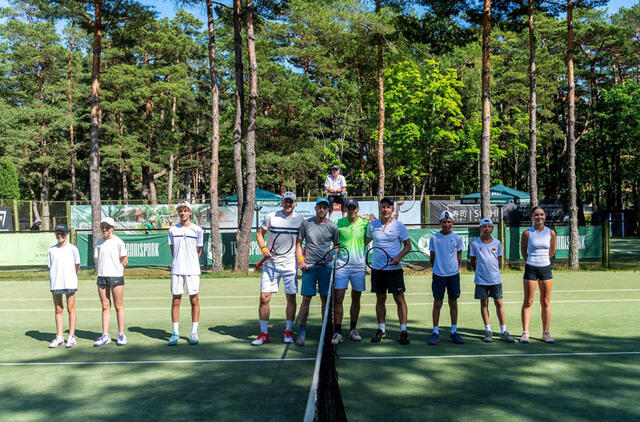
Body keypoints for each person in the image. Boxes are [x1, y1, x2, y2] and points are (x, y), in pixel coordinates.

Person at [252, 192, 304, 346]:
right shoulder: (270, 216)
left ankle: (288, 330)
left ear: (295, 204)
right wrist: (263, 249)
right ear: (282, 202)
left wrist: (302, 258)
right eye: (286, 201)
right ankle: (264, 334)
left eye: (291, 202)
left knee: (291, 298)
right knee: (264, 298)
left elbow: (302, 241)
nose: (288, 204)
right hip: (271, 265)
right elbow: (260, 234)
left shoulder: (300, 219)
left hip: (290, 265)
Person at [366, 197, 411, 345]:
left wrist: (398, 257)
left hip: (394, 270)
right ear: (380, 208)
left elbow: (407, 246)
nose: (385, 209)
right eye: (383, 207)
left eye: (388, 207)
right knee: (380, 300)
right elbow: (364, 242)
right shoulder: (372, 226)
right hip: (378, 270)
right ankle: (382, 330)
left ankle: (403, 331)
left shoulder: (399, 226)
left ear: (392, 209)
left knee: (399, 300)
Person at [295, 198, 339, 346]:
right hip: (309, 267)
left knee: (326, 301)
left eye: (325, 208)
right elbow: (299, 244)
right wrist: (301, 261)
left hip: (326, 268)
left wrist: (332, 256)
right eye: (320, 207)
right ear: (315, 208)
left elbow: (337, 246)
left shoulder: (332, 227)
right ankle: (302, 331)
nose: (322, 210)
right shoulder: (306, 224)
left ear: (328, 210)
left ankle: (326, 331)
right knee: (306, 299)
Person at [469, 218, 514, 343]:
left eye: (489, 226)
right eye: (484, 226)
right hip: (481, 280)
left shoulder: (497, 243)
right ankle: (488, 330)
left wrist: (494, 272)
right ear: (480, 228)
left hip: (495, 279)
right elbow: (473, 261)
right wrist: (479, 272)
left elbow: (499, 261)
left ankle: (503, 331)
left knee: (499, 303)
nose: (487, 229)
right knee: (484, 304)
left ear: (492, 229)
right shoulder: (475, 244)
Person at [333, 198, 369, 343]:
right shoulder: (338, 223)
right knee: (338, 298)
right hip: (342, 266)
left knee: (356, 298)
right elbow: (335, 243)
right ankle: (337, 332)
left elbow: (367, 240)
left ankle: (353, 329)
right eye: (349, 208)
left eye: (354, 208)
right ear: (346, 209)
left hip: (358, 266)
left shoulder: (365, 224)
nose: (351, 210)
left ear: (357, 209)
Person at [167, 201, 203, 346]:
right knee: (176, 300)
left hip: (192, 270)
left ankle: (194, 332)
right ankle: (175, 333)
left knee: (194, 299)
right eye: (180, 211)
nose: (183, 213)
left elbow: (198, 251)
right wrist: (180, 261)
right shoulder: (172, 230)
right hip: (177, 269)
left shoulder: (198, 230)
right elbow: (172, 250)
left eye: (185, 210)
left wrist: (191, 263)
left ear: (190, 212)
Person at [520, 206, 557, 344]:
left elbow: (551, 252)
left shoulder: (551, 233)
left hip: (546, 269)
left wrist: (543, 260)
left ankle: (546, 333)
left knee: (545, 301)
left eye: (541, 214)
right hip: (531, 268)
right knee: (528, 301)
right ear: (532, 217)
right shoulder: (527, 233)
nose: (539, 217)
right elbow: (524, 251)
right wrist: (531, 261)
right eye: (536, 215)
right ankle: (525, 332)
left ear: (545, 216)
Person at [428, 211, 464, 345]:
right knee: (437, 303)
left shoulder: (457, 238)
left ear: (452, 223)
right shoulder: (434, 238)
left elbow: (459, 256)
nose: (446, 224)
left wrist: (453, 269)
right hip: (438, 275)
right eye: (444, 222)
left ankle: (454, 331)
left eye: (449, 222)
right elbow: (432, 257)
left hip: (453, 275)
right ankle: (435, 332)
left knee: (453, 303)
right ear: (440, 223)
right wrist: (438, 268)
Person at [93, 217, 128, 347]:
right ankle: (105, 335)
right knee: (105, 306)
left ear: (112, 228)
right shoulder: (99, 243)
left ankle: (121, 334)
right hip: (102, 277)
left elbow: (124, 260)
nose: (105, 229)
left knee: (119, 306)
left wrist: (117, 271)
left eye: (107, 227)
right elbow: (99, 260)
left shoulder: (119, 242)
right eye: (103, 226)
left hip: (116, 277)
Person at [47, 224, 81, 348]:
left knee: (70, 308)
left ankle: (71, 336)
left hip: (70, 283)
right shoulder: (51, 250)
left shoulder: (73, 249)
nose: (59, 235)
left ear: (67, 234)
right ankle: (60, 337)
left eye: (62, 233)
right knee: (58, 309)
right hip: (56, 283)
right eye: (57, 233)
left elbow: (77, 265)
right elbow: (51, 267)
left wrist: (70, 277)